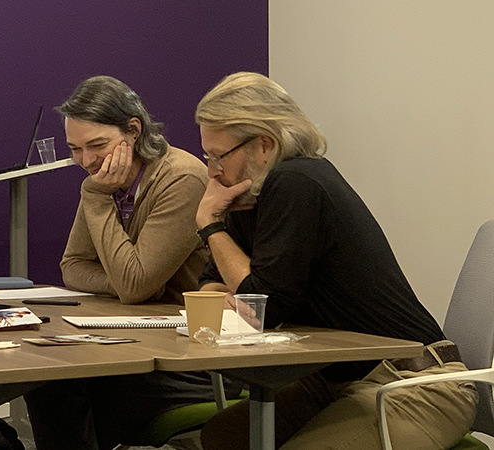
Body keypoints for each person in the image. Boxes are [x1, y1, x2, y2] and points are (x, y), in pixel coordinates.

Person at [194, 71, 476, 450]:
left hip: (415, 384)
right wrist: (236, 285)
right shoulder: (248, 198)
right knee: (223, 436)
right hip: (338, 380)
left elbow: (262, 307)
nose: (212, 171)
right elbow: (211, 285)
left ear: (264, 144)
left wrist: (210, 224)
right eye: (207, 156)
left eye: (219, 156)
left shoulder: (296, 182)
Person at [23, 75, 217, 450]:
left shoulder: (181, 178)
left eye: (97, 145)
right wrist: (130, 284)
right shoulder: (105, 180)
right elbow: (73, 266)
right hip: (138, 336)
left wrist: (97, 199)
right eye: (75, 149)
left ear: (134, 130)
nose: (86, 161)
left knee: (63, 384)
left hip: (190, 357)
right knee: (46, 373)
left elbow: (136, 284)